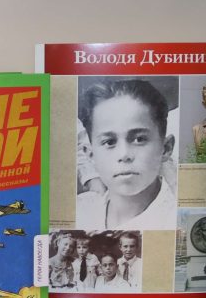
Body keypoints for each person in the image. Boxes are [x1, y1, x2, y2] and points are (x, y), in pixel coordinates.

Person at [76, 79, 177, 230]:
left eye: (139, 139)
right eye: (109, 142)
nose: (124, 155)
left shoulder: (177, 219)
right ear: (91, 155)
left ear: (166, 148)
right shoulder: (79, 213)